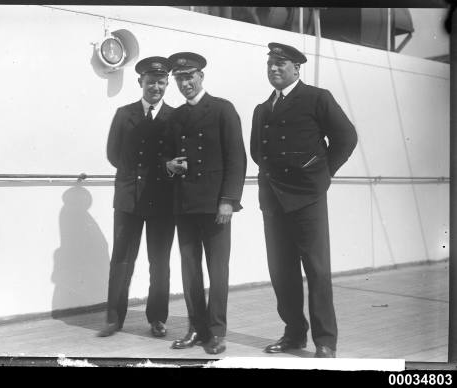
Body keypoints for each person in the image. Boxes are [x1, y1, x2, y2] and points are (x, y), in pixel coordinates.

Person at [250, 43, 357, 358]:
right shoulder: (261, 108)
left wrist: (321, 175)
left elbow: (346, 137)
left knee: (317, 271)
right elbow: (258, 152)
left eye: (280, 64)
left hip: (307, 198)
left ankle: (325, 341)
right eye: (270, 64)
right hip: (273, 200)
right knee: (281, 271)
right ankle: (294, 334)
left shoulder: (317, 98)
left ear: (297, 68)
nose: (274, 69)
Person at [165, 52, 246, 355]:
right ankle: (196, 329)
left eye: (189, 77)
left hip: (215, 206)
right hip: (185, 204)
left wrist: (228, 201)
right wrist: (169, 164)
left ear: (201, 76)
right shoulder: (176, 117)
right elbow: (168, 156)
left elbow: (237, 159)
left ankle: (216, 332)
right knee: (189, 270)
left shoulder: (223, 110)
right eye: (180, 79)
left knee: (218, 271)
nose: (185, 83)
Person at [98, 56, 175, 338]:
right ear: (140, 82)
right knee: (122, 260)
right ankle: (114, 319)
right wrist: (134, 177)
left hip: (163, 202)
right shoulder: (124, 113)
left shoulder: (174, 117)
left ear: (167, 83)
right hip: (129, 199)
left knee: (160, 262)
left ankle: (157, 319)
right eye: (150, 81)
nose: (156, 86)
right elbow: (113, 154)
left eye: (161, 82)